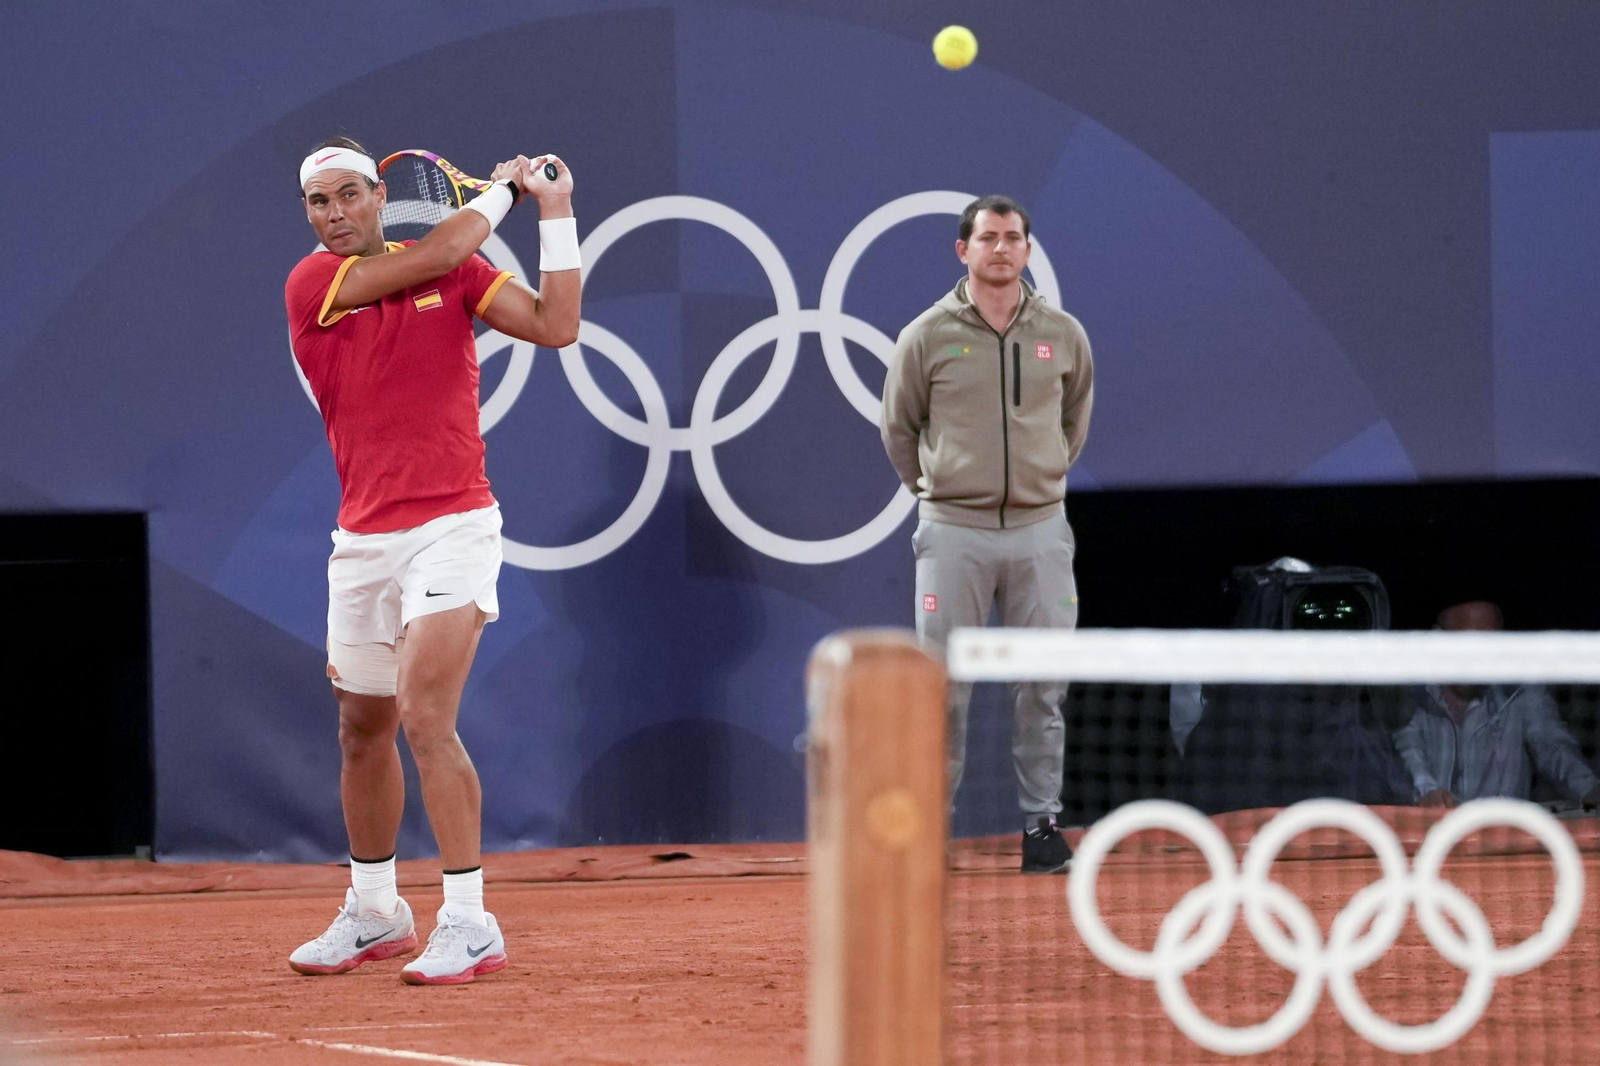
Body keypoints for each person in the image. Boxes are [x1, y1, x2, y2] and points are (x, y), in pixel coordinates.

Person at [282, 137, 581, 983]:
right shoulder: (315, 285)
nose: (334, 215)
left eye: (348, 196)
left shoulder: (454, 271)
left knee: (424, 715)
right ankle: (375, 910)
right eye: (318, 203)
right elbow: (452, 242)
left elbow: (559, 326)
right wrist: (501, 198)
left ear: (381, 195)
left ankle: (470, 919)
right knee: (361, 730)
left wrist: (553, 215)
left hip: (454, 525)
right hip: (362, 541)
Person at [880, 195, 1094, 873]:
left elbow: (1073, 424)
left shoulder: (1062, 334)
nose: (1001, 249)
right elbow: (899, 429)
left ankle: (1042, 828)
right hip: (954, 536)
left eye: (1012, 238)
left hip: (1041, 535)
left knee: (1043, 688)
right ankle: (929, 834)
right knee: (942, 688)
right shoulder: (927, 334)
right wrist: (941, 491)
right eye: (988, 238)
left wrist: (1041, 480)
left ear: (1027, 250)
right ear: (962, 251)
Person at [1396, 600, 1600, 808]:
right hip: (1426, 836)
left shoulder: (1521, 690)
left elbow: (1553, 748)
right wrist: (1428, 792)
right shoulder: (1411, 695)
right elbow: (1407, 754)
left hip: (1505, 837)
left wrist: (1590, 788)